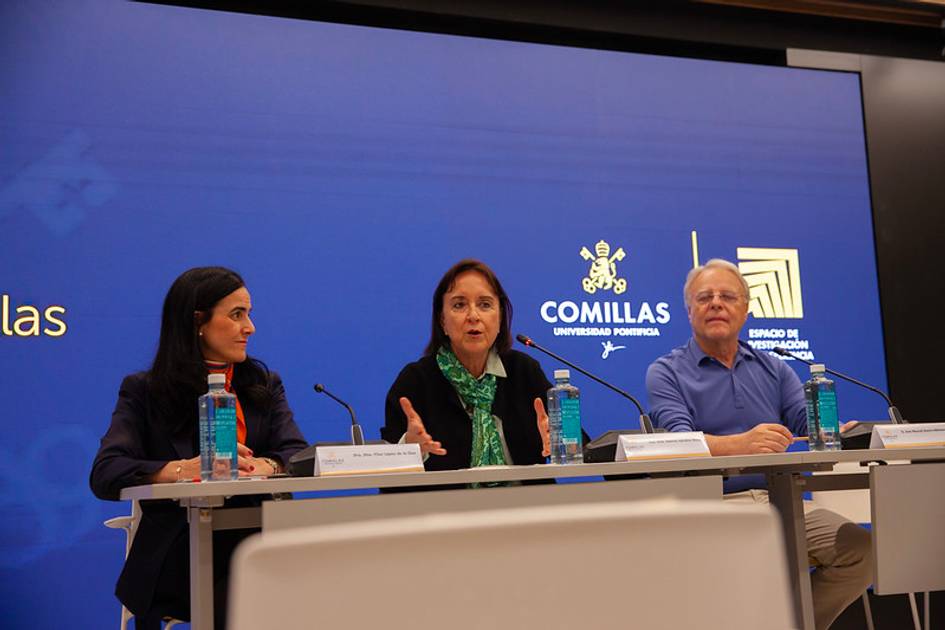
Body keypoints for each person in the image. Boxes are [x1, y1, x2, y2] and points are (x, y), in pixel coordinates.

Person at [645, 258, 871, 630]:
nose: (716, 303)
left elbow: (805, 424)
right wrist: (740, 444)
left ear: (745, 310)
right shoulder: (666, 371)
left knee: (860, 552)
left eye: (727, 296)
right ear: (689, 311)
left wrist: (836, 431)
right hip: (711, 505)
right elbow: (675, 441)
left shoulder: (774, 367)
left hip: (784, 500)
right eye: (704, 297)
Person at [90, 266, 308, 630]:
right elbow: (106, 471)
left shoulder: (263, 384)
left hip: (262, 540)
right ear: (197, 322)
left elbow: (296, 454)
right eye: (237, 315)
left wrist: (264, 466)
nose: (249, 327)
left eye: (249, 314)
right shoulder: (145, 390)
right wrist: (182, 470)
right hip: (182, 549)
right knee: (241, 590)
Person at [382, 259, 551, 473]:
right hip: (445, 506)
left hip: (529, 504)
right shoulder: (416, 381)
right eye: (459, 305)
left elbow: (582, 448)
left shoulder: (525, 372)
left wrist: (560, 441)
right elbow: (387, 475)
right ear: (442, 320)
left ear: (499, 319)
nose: (473, 316)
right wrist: (408, 450)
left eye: (485, 304)